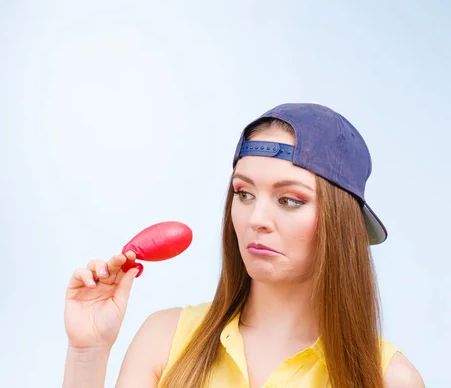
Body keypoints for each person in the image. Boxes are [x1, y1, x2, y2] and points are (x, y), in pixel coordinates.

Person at [63, 103, 425, 387]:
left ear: (341, 224)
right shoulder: (165, 339)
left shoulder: (389, 379)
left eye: (289, 200)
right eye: (244, 193)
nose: (256, 219)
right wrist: (88, 352)